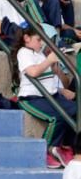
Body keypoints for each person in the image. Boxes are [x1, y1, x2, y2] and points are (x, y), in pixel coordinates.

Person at [14, 25, 76, 167]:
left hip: (51, 95)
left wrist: (55, 64)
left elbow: (50, 79)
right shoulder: (24, 52)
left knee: (75, 110)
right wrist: (49, 60)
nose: (41, 43)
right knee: (57, 116)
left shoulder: (40, 54)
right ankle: (46, 150)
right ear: (26, 38)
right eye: (38, 39)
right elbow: (33, 72)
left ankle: (66, 147)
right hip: (31, 98)